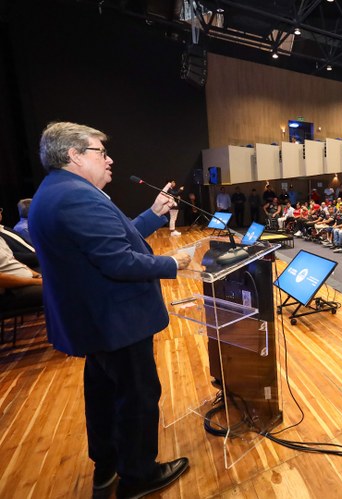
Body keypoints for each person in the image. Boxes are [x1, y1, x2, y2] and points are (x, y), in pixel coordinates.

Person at [29, 122, 191, 497]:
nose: (110, 158)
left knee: (103, 397)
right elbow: (118, 262)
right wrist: (174, 263)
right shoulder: (77, 197)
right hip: (116, 321)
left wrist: (152, 214)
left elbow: (112, 241)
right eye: (101, 151)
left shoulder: (56, 192)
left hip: (95, 322)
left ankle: (107, 465)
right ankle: (138, 476)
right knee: (137, 398)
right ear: (74, 155)